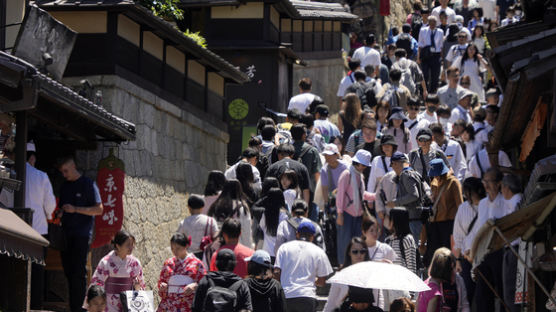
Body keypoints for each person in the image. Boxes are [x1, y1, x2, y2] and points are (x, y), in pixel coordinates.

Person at [57, 156, 103, 312]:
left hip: (82, 234)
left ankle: (79, 308)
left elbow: (99, 209)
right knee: (68, 271)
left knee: (78, 271)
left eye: (66, 170)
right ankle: (74, 306)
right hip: (66, 234)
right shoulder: (64, 187)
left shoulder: (88, 185)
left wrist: (76, 209)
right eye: (62, 171)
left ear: (73, 166)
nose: (64, 174)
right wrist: (61, 213)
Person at [464, 168, 505, 311]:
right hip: (483, 254)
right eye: (484, 181)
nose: (485, 185)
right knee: (482, 296)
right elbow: (478, 230)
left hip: (500, 251)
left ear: (499, 183)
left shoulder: (505, 201)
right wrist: (470, 249)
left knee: (502, 293)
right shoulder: (482, 204)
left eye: (489, 181)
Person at [274, 221, 334, 312]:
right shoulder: (319, 251)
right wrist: (314, 280)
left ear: (297, 234)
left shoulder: (284, 248)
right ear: (312, 236)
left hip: (286, 296)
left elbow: (277, 273)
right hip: (307, 297)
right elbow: (322, 281)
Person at [26, 143, 56, 309]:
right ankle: (35, 306)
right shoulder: (41, 176)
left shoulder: (13, 173)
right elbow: (50, 204)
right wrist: (49, 215)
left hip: (15, 228)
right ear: (32, 157)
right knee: (37, 270)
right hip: (38, 229)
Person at [420, 159, 463, 267]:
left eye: (439, 174)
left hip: (449, 223)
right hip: (435, 223)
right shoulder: (434, 182)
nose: (437, 176)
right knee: (435, 254)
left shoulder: (453, 182)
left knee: (447, 254)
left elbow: (460, 205)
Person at [88, 230, 145, 312]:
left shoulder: (135, 263)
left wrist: (137, 288)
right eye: (128, 245)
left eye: (132, 245)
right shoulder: (106, 262)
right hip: (109, 302)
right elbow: (97, 283)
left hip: (129, 301)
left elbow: (141, 284)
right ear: (118, 246)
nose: (131, 248)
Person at [336, 149, 375, 265]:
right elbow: (340, 195)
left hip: (358, 215)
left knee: (357, 243)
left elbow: (361, 194)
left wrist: (375, 196)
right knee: (344, 242)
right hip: (347, 214)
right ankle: (342, 265)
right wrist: (340, 214)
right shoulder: (347, 174)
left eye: (365, 165)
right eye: (362, 164)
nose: (363, 167)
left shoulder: (360, 176)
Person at [452, 177, 485, 305]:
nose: (467, 195)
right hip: (466, 257)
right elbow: (458, 236)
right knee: (468, 292)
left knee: (484, 293)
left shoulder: (487, 205)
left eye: (469, 192)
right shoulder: (463, 208)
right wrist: (458, 260)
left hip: (484, 255)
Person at [157, 233, 206, 312]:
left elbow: (204, 283)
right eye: (172, 248)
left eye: (178, 248)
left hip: (187, 305)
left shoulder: (196, 263)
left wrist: (195, 286)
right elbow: (162, 282)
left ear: (186, 246)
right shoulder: (168, 263)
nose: (174, 251)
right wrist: (163, 286)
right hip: (168, 305)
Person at [387, 152, 425, 246]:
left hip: (412, 218)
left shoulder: (406, 175)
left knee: (412, 249)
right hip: (416, 217)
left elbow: (414, 195)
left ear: (396, 163)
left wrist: (395, 203)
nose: (393, 168)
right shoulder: (414, 173)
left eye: (393, 164)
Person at [323, 237, 371, 312]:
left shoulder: (371, 273)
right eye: (355, 251)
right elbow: (331, 302)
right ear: (349, 253)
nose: (359, 254)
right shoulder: (340, 274)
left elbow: (379, 300)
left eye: (362, 251)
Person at [417, 247, 469, 312]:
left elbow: (465, 305)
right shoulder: (434, 291)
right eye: (450, 267)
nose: (453, 271)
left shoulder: (459, 280)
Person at [362, 215, 397, 310]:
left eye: (376, 230)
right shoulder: (358, 248)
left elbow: (393, 270)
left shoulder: (386, 249)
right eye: (371, 230)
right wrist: (378, 264)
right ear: (364, 232)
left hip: (378, 293)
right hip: (360, 293)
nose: (375, 233)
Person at [208, 179, 253, 248]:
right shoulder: (242, 207)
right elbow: (246, 232)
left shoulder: (216, 205)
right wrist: (248, 249)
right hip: (236, 247)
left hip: (217, 246)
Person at [500, 174, 522, 312]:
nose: (501, 191)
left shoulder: (516, 201)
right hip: (512, 248)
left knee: (511, 291)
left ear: (507, 188)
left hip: (514, 248)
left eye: (502, 188)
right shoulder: (513, 201)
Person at [177, 194, 219, 259]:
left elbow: (178, 239)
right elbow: (216, 236)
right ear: (202, 207)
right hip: (206, 256)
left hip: (189, 256)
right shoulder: (210, 221)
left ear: (189, 207)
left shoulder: (183, 223)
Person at [259, 188, 290, 261]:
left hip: (266, 252)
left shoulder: (265, 214)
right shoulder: (284, 216)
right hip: (279, 253)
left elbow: (261, 227)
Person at [291, 123, 322, 195]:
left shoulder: (288, 149)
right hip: (309, 190)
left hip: (291, 189)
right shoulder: (312, 150)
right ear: (304, 135)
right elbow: (317, 173)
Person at [386, 208, 417, 275]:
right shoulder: (388, 240)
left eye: (390, 218)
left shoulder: (407, 239)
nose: (388, 221)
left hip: (404, 283)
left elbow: (411, 268)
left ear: (396, 221)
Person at [418, 16, 444, 93]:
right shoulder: (423, 30)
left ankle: (433, 91)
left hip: (436, 55)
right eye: (431, 22)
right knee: (425, 74)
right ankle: (423, 91)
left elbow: (441, 45)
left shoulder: (440, 31)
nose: (432, 24)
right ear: (428, 23)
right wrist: (418, 57)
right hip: (426, 54)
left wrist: (441, 57)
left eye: (434, 23)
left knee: (435, 75)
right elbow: (420, 44)